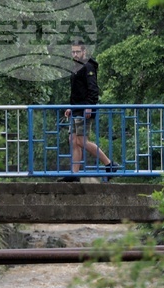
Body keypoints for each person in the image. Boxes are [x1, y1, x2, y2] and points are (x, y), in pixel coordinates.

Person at [59, 40, 119, 182]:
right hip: (76, 109)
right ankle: (74, 174)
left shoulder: (88, 66)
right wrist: (70, 107)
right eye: (73, 52)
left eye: (77, 51)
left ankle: (109, 164)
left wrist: (89, 106)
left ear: (84, 52)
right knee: (73, 140)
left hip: (84, 110)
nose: (75, 54)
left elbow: (93, 90)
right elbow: (77, 91)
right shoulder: (76, 67)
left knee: (81, 141)